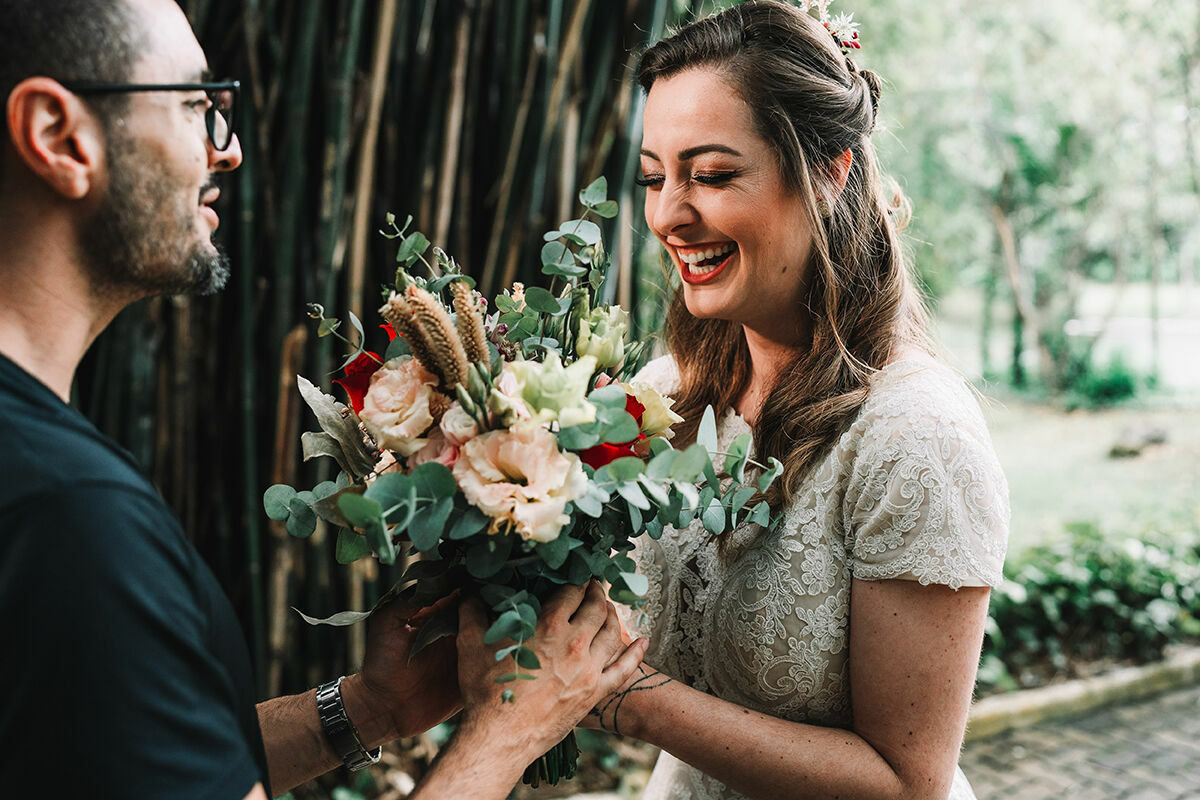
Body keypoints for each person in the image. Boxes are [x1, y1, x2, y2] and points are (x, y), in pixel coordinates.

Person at [0, 1, 646, 798]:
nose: (227, 152)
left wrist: (365, 707)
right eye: (198, 106)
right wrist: (507, 733)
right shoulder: (70, 516)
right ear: (59, 137)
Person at [582, 2, 1010, 799]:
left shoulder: (916, 440)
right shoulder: (660, 397)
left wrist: (633, 702)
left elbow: (908, 783)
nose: (669, 215)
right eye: (653, 178)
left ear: (829, 169)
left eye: (710, 175)